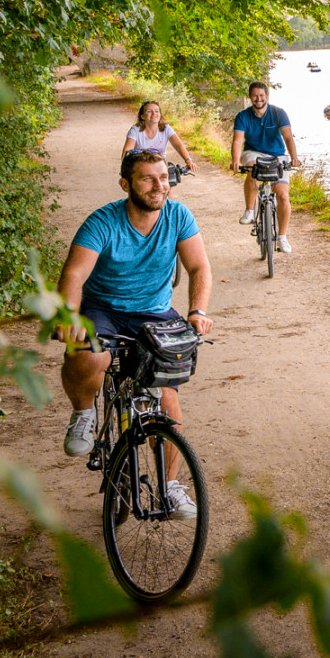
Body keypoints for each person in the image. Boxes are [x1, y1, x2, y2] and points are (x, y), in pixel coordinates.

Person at [57, 150, 213, 516]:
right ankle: (83, 414)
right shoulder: (103, 222)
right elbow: (74, 274)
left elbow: (199, 266)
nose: (160, 186)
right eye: (148, 179)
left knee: (167, 397)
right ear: (126, 184)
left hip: (154, 312)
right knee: (90, 352)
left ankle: (171, 486)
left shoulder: (178, 216)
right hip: (103, 309)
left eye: (164, 177)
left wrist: (197, 311)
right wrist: (68, 316)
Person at [230, 80, 299, 254]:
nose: (258, 99)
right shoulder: (243, 116)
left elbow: (288, 138)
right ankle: (250, 211)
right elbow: (238, 140)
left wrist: (294, 158)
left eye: (261, 95)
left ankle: (282, 237)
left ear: (267, 96)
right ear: (250, 97)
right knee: (253, 169)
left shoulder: (278, 113)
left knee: (283, 196)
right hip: (253, 152)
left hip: (277, 155)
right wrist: (235, 160)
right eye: (255, 95)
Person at [122, 100, 197, 171]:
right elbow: (127, 151)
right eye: (149, 111)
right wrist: (125, 168)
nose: (154, 114)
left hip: (160, 167)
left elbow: (178, 145)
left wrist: (188, 160)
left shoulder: (166, 128)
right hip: (141, 168)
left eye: (156, 111)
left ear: (160, 115)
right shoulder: (135, 130)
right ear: (142, 116)